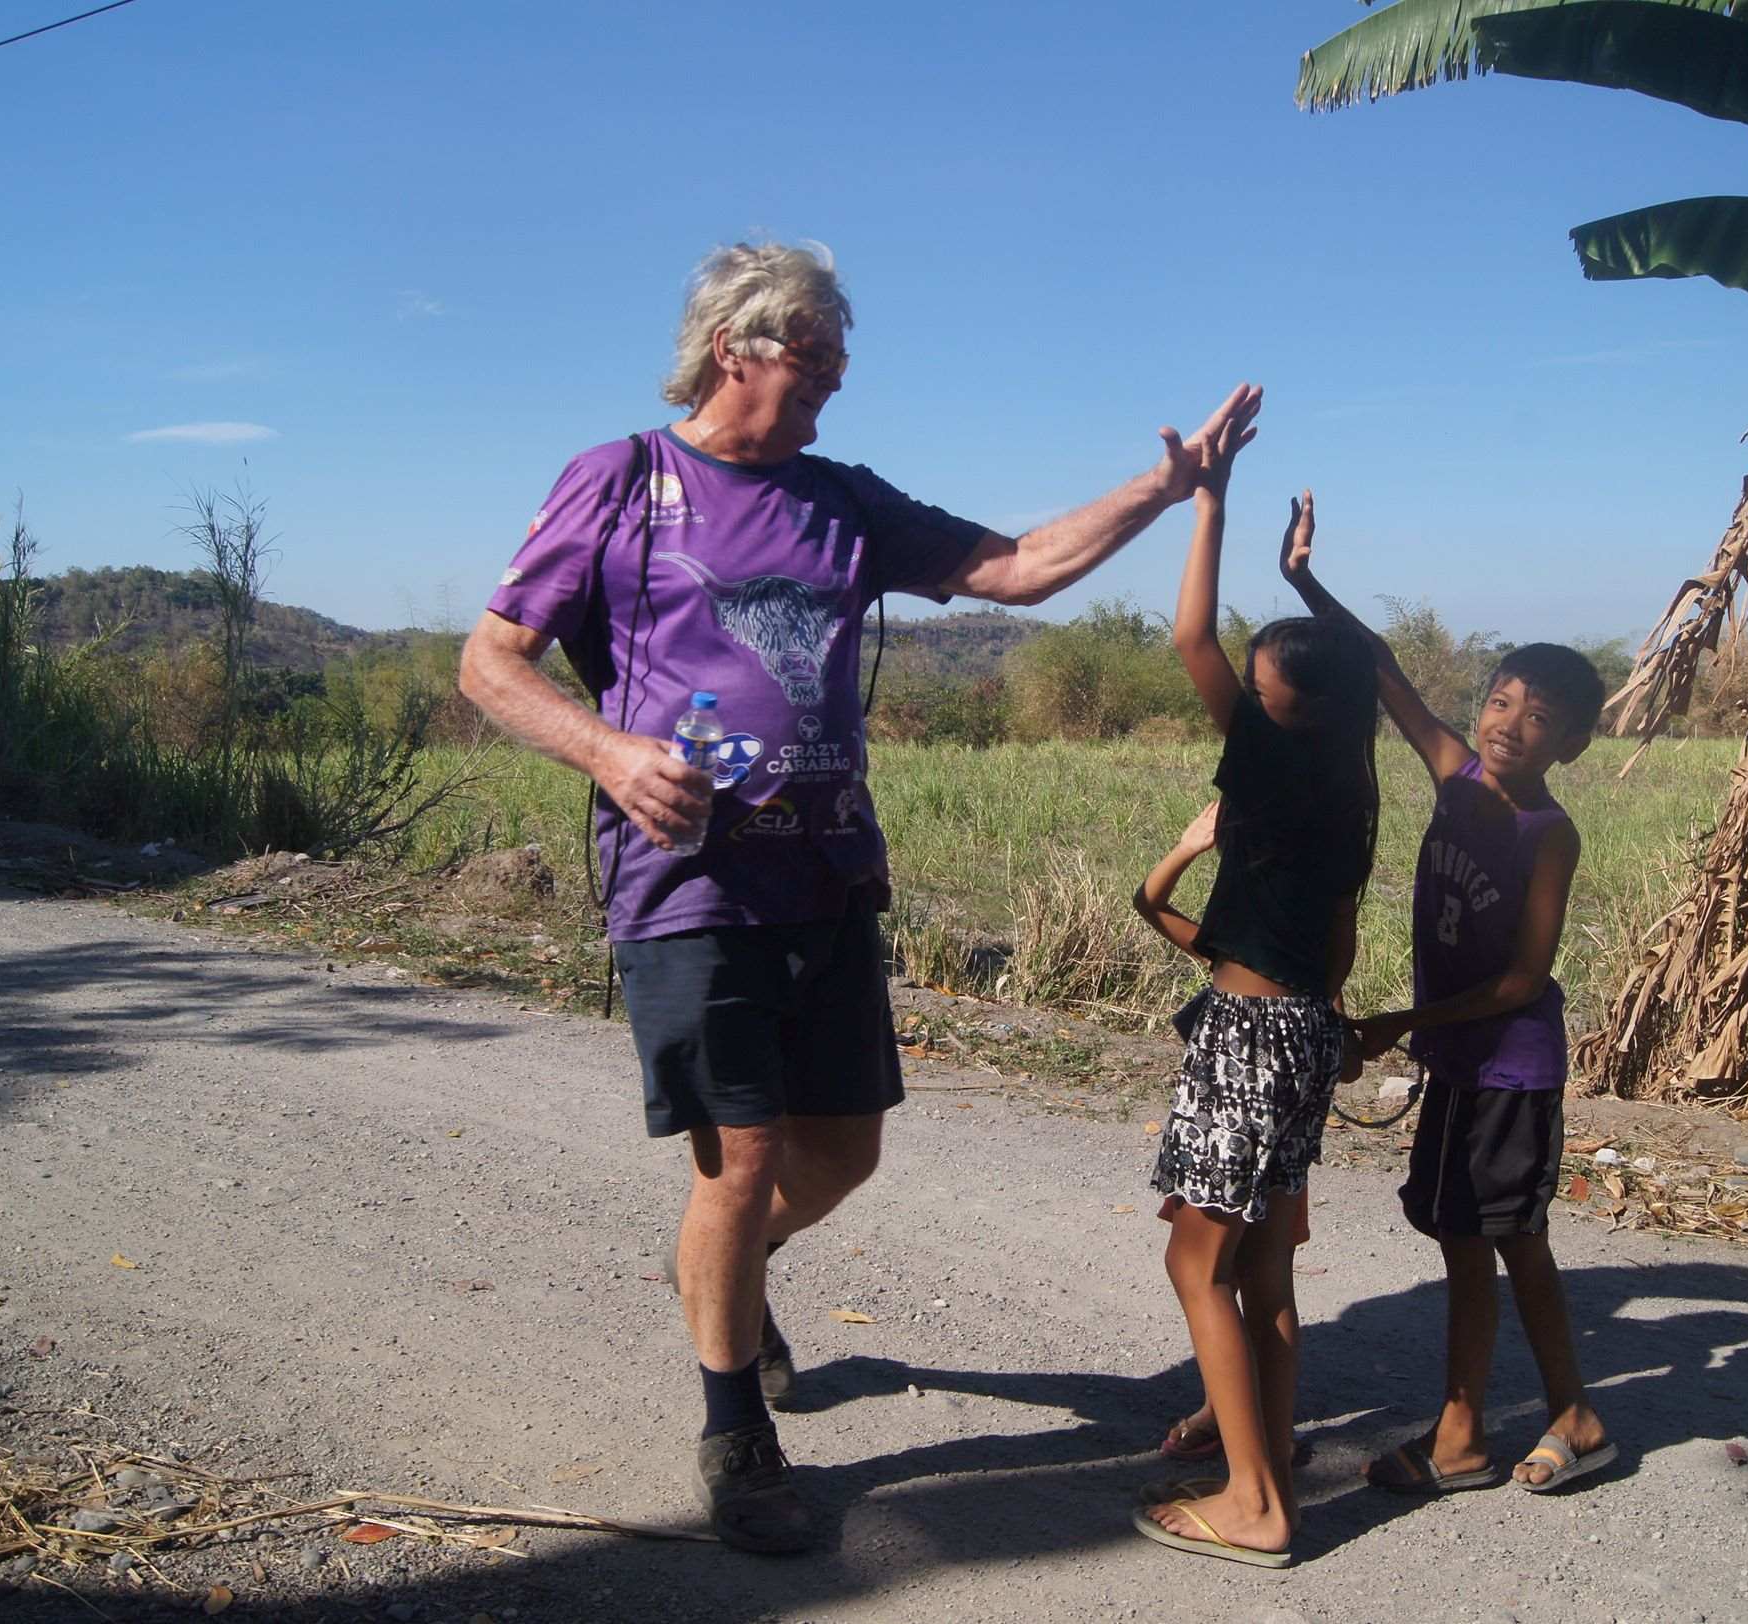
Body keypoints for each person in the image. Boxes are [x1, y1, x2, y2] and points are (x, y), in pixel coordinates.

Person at [458, 240, 1263, 1554]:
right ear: (735, 347)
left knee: (843, 1152)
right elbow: (491, 662)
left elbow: (1019, 566)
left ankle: (724, 1271)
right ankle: (737, 1434)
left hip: (829, 870)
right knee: (744, 1154)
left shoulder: (843, 499)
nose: (836, 377)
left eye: (841, 356)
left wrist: (1166, 489)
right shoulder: (624, 479)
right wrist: (608, 754)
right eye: (815, 353)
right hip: (690, 878)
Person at [1279, 490, 1618, 1499]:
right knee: (1469, 1242)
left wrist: (1400, 1024)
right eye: (1502, 700)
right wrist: (1304, 580)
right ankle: (1492, 1427)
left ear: (1572, 745)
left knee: (1507, 1242)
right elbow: (1381, 663)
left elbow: (1523, 979)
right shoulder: (1454, 773)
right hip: (1462, 1061)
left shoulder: (1548, 834)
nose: (1510, 724)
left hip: (1510, 1067)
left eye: (1539, 717)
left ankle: (1548, 1420)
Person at [1125, 444, 1378, 1569]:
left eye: (1265, 684)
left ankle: (1255, 1505)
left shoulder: (1272, 760)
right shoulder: (1351, 774)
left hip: (1249, 1038)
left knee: (1197, 1265)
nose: (1250, 686)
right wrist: (1303, 582)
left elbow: (1190, 636)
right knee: (1265, 1269)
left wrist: (1207, 501)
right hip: (1308, 1028)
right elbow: (1341, 933)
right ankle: (1266, 1461)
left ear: (1293, 710)